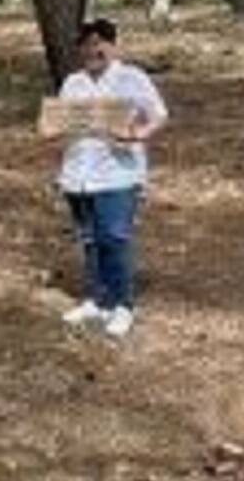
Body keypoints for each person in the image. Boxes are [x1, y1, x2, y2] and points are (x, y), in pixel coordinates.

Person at [52, 17, 168, 339]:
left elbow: (159, 115)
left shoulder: (132, 78)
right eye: (87, 44)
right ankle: (96, 300)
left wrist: (137, 134)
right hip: (77, 174)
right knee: (89, 239)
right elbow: (57, 124)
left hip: (118, 174)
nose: (94, 49)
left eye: (100, 43)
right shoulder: (73, 82)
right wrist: (54, 132)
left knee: (114, 239)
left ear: (113, 46)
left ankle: (122, 305)